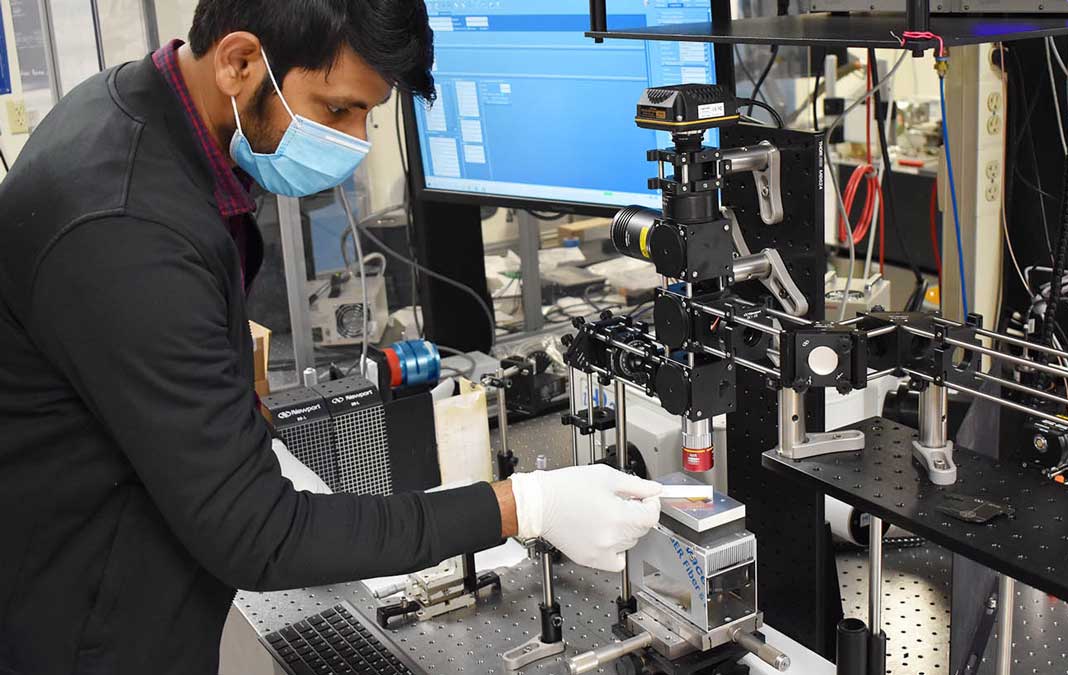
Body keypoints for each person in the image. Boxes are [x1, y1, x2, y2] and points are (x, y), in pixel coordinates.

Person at [0, 2, 662, 673]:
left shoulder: (141, 118)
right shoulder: (128, 226)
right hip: (81, 631)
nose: (356, 143)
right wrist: (528, 503)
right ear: (239, 62)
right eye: (339, 109)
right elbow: (258, 535)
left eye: (368, 116)